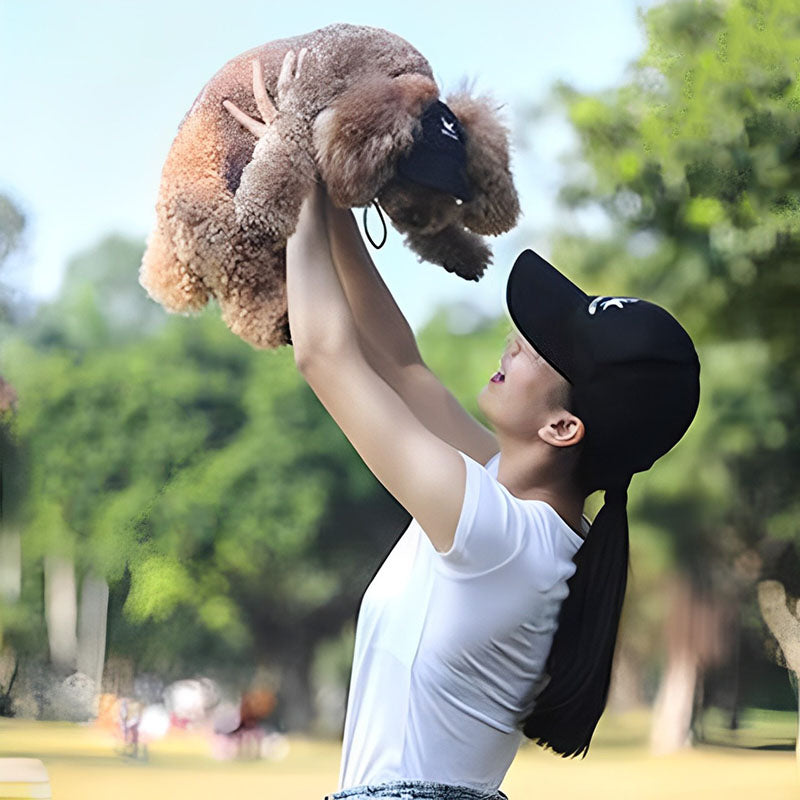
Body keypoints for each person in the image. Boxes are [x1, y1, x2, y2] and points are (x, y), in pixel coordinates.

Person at [224, 54, 700, 800]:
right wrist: (328, 178)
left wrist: (291, 173)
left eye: (541, 351)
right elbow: (400, 365)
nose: (516, 343)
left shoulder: (501, 539)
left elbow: (325, 356)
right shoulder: (520, 514)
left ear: (563, 426)